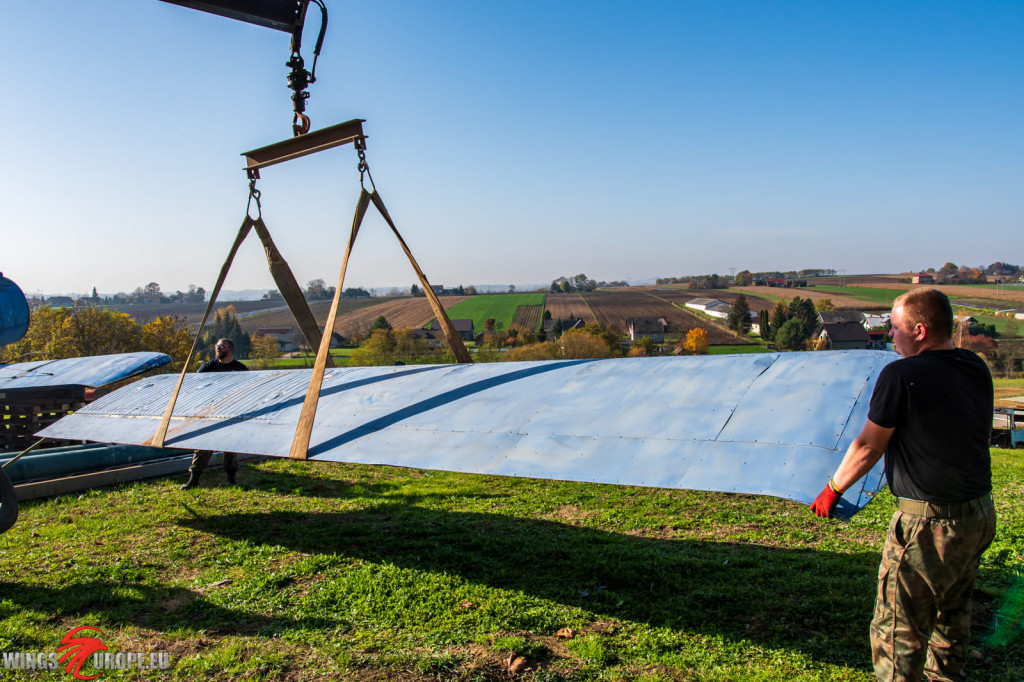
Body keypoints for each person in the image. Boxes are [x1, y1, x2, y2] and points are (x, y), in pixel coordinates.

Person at [809, 288, 996, 681]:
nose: (891, 335)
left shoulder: (901, 375)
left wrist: (833, 489)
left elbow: (868, 446)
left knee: (897, 630)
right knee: (952, 616)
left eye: (895, 327)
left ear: (919, 331)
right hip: (978, 514)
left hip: (928, 525)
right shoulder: (975, 367)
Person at [180, 338, 249, 490]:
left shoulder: (240, 369)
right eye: (217, 346)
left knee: (230, 446)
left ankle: (231, 480)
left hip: (232, 411)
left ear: (230, 349)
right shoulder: (208, 367)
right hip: (211, 411)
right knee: (203, 444)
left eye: (221, 346)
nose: (218, 349)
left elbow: (247, 390)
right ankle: (194, 480)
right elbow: (196, 385)